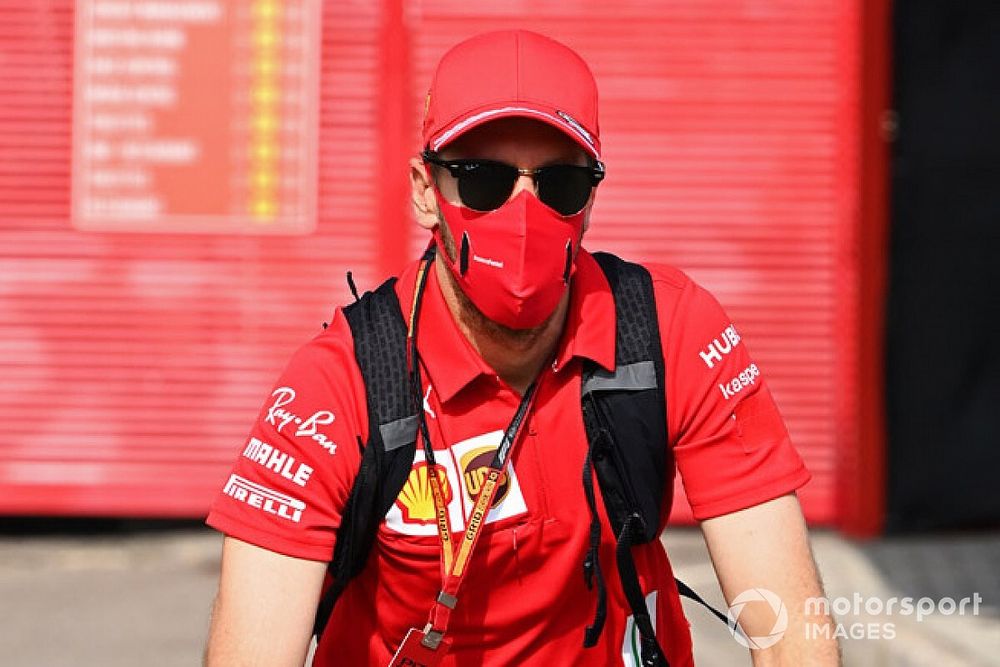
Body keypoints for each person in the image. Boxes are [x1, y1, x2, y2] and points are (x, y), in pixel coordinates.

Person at [204, 29, 838, 666]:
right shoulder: (339, 386)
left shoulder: (670, 331)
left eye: (560, 184)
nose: (524, 212)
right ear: (426, 190)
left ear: (591, 199)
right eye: (483, 180)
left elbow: (790, 632)